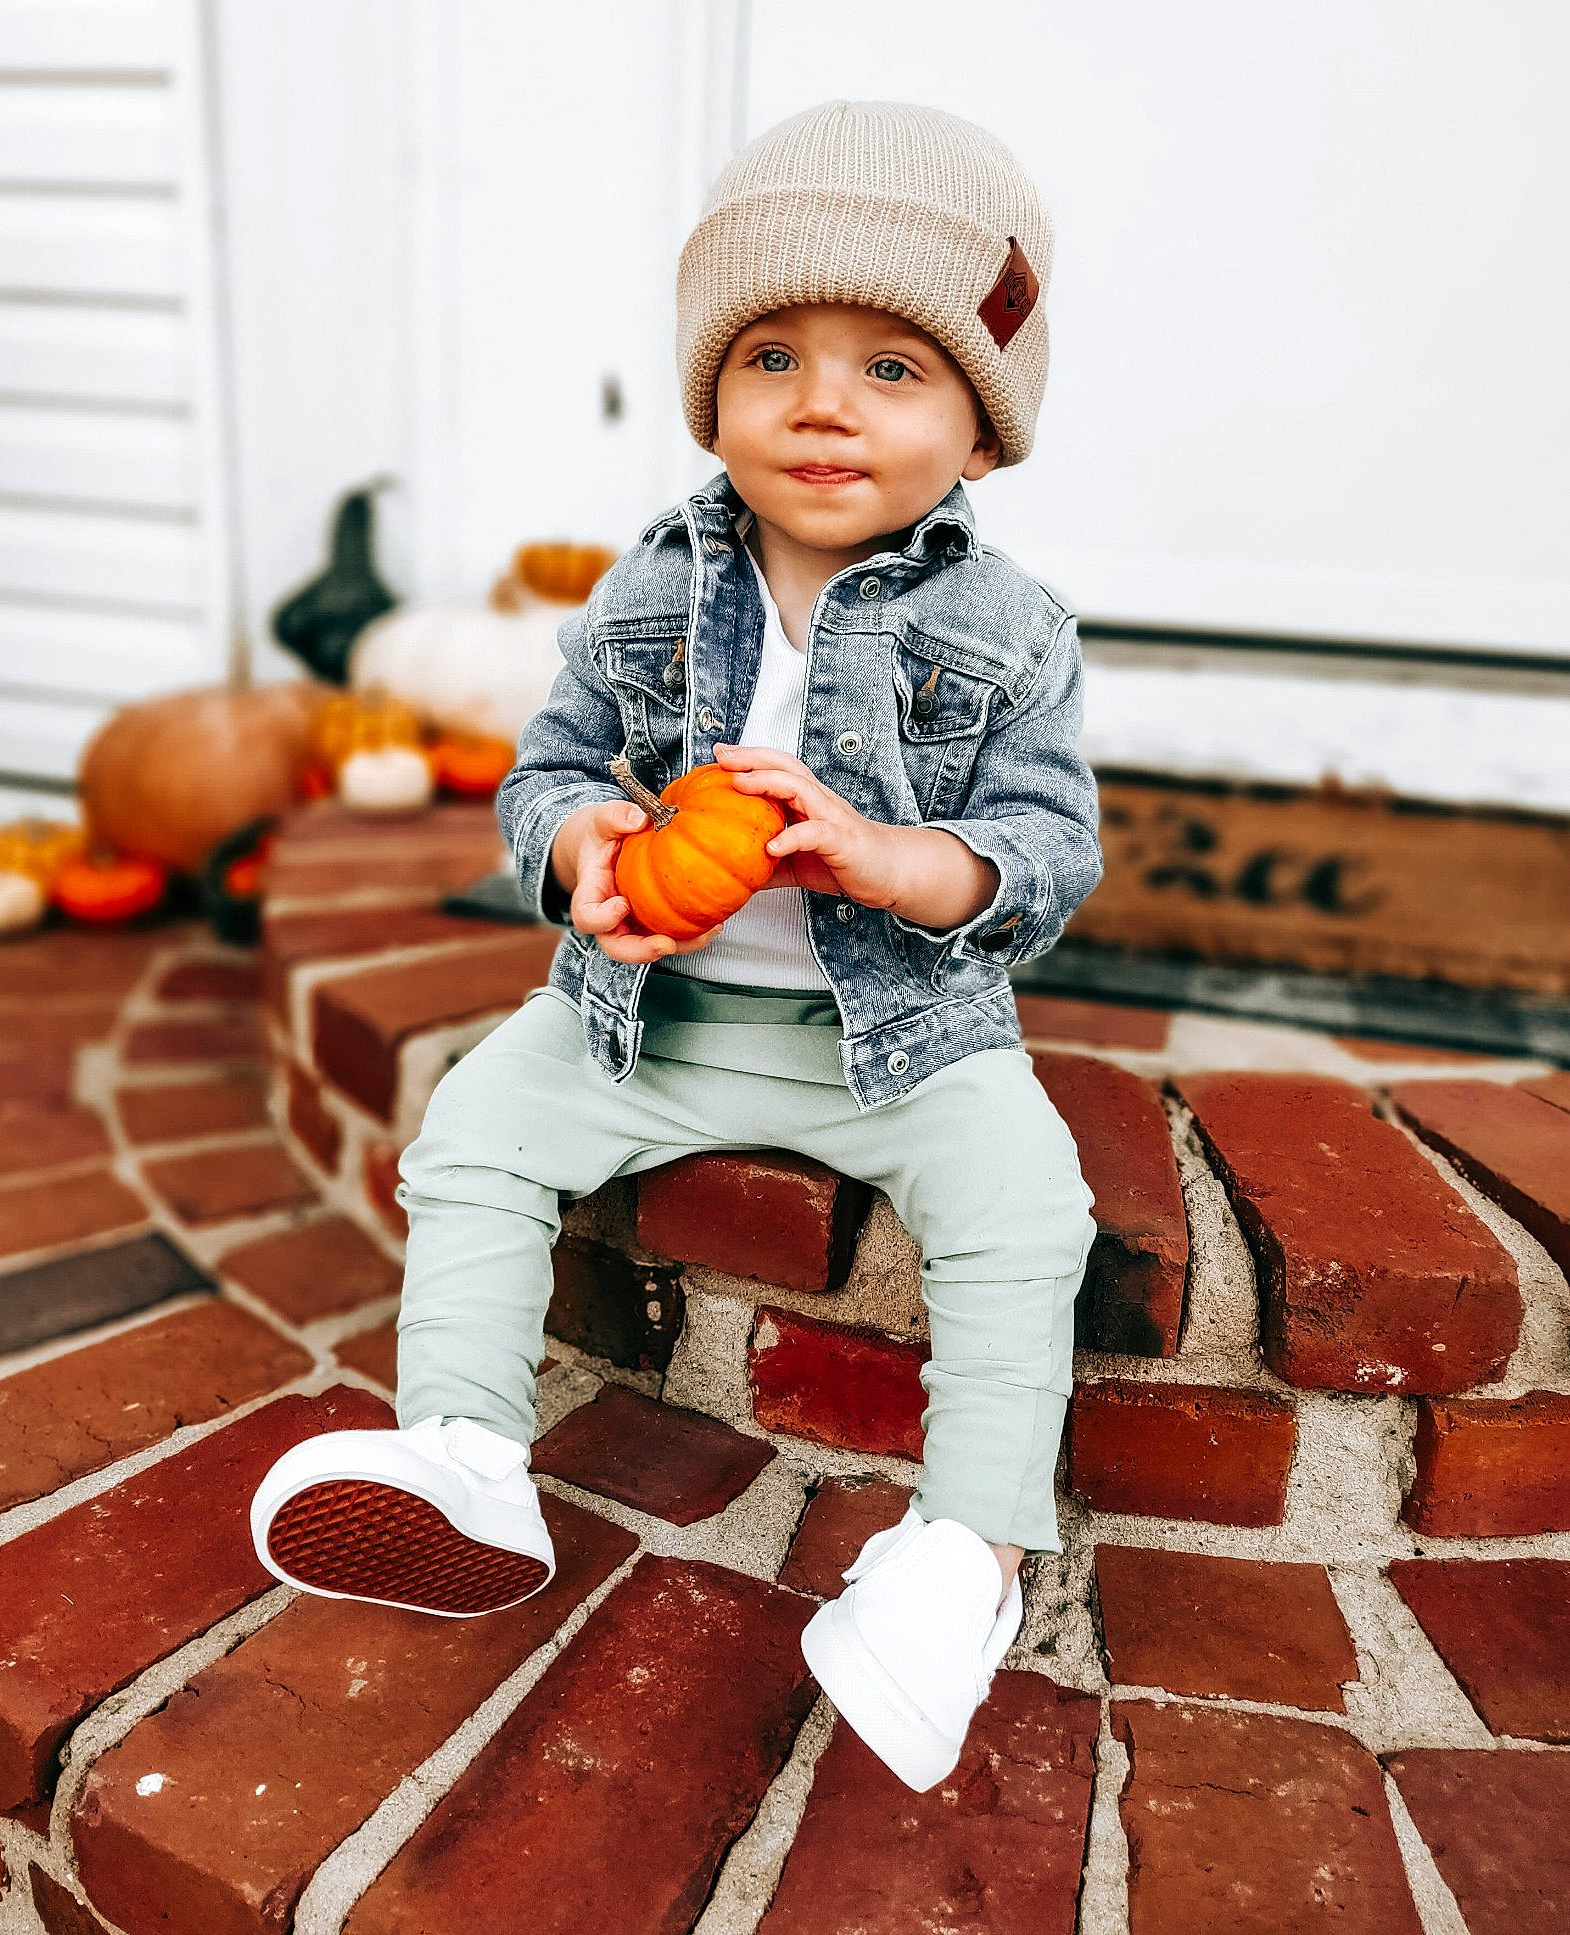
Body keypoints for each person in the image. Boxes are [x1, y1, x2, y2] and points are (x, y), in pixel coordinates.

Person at [250, 100, 1102, 1793]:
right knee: (478, 1133)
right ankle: (464, 1460)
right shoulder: (650, 583)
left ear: (986, 433)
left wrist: (896, 859)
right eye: (772, 353)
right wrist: (578, 847)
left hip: (907, 1041)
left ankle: (966, 1558)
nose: (821, 405)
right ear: (713, 389)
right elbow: (552, 766)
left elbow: (1048, 853)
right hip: (655, 1008)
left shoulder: (1010, 628)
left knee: (1028, 1207)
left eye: (893, 368)